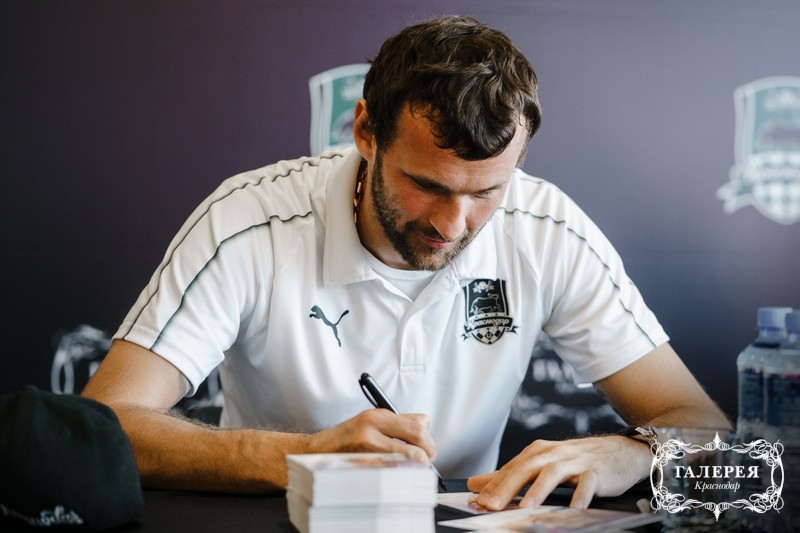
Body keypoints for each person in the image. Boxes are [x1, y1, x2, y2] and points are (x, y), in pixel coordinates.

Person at [82, 15, 729, 509]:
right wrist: (304, 456)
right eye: (427, 184)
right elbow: (106, 425)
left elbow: (703, 426)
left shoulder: (546, 228)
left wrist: (631, 453)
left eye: (486, 192)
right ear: (366, 131)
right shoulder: (248, 221)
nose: (454, 223)